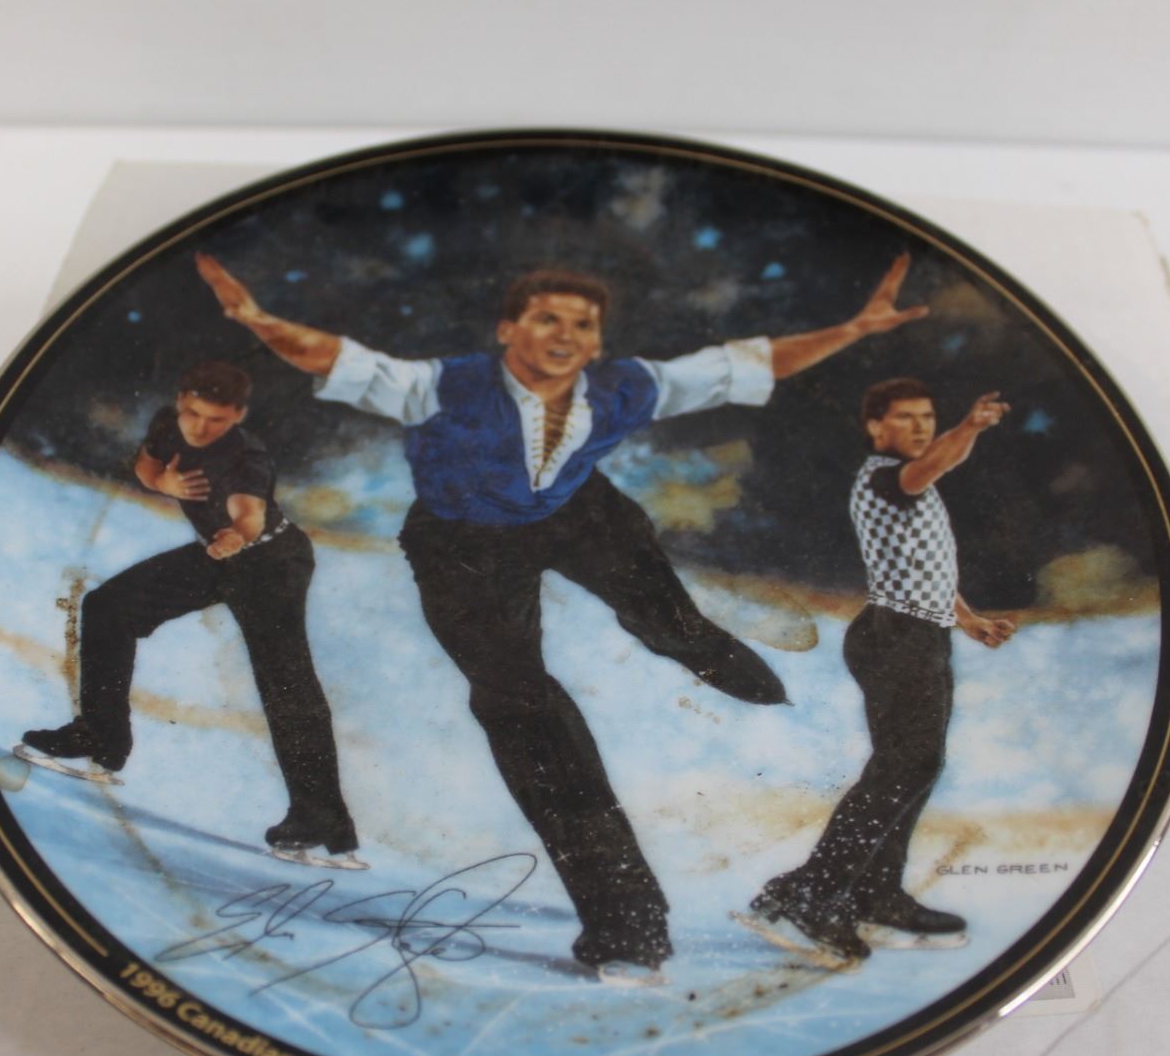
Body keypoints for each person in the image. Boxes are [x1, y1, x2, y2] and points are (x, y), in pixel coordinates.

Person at [196, 253, 928, 982]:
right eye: (547, 318)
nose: (565, 333)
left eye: (582, 324)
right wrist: (259, 321)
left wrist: (853, 330)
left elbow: (747, 364)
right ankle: (626, 921)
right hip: (464, 548)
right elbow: (336, 357)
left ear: (597, 343)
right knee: (526, 714)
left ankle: (704, 650)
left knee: (669, 622)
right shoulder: (442, 387)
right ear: (507, 329)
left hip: (582, 514)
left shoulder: (624, 386)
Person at [21, 361, 360, 865]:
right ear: (181, 401)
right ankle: (100, 737)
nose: (200, 427)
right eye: (194, 414)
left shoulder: (247, 457)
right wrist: (166, 483)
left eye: (216, 420)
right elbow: (147, 466)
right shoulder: (168, 422)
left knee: (286, 682)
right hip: (215, 557)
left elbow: (250, 514)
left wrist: (234, 536)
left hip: (269, 563)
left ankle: (322, 819)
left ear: (238, 415)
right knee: (109, 607)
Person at [747, 377, 1015, 962]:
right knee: (904, 766)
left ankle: (875, 896)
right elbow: (934, 464)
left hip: (919, 635)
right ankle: (806, 895)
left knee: (915, 767)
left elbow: (928, 570)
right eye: (906, 417)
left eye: (928, 417)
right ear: (875, 426)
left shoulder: (913, 485)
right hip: (896, 638)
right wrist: (969, 427)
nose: (920, 427)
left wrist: (967, 619)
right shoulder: (886, 478)